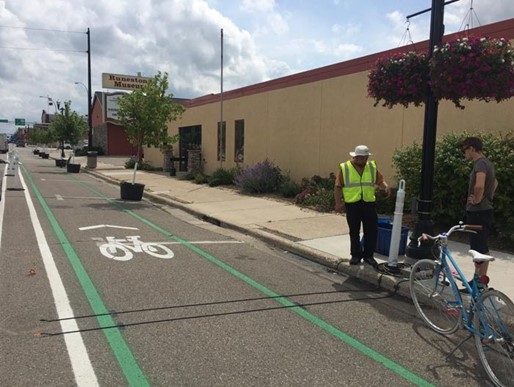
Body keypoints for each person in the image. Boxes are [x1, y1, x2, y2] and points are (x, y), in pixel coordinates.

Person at [334, 145, 391, 268]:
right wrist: (338, 203)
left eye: (366, 158)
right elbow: (338, 186)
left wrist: (385, 186)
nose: (364, 161)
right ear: (355, 157)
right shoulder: (345, 168)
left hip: (368, 203)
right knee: (354, 231)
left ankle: (368, 256)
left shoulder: (371, 166)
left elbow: (379, 179)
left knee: (371, 231)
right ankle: (355, 255)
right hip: (352, 204)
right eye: (361, 159)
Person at [461, 137, 498, 284]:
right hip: (485, 210)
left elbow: (479, 185)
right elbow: (495, 183)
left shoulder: (480, 164)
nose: (464, 154)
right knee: (482, 247)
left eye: (465, 150)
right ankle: (480, 280)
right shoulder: (488, 163)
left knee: (478, 249)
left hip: (478, 212)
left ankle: (478, 283)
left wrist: (477, 199)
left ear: (471, 148)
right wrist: (488, 198)